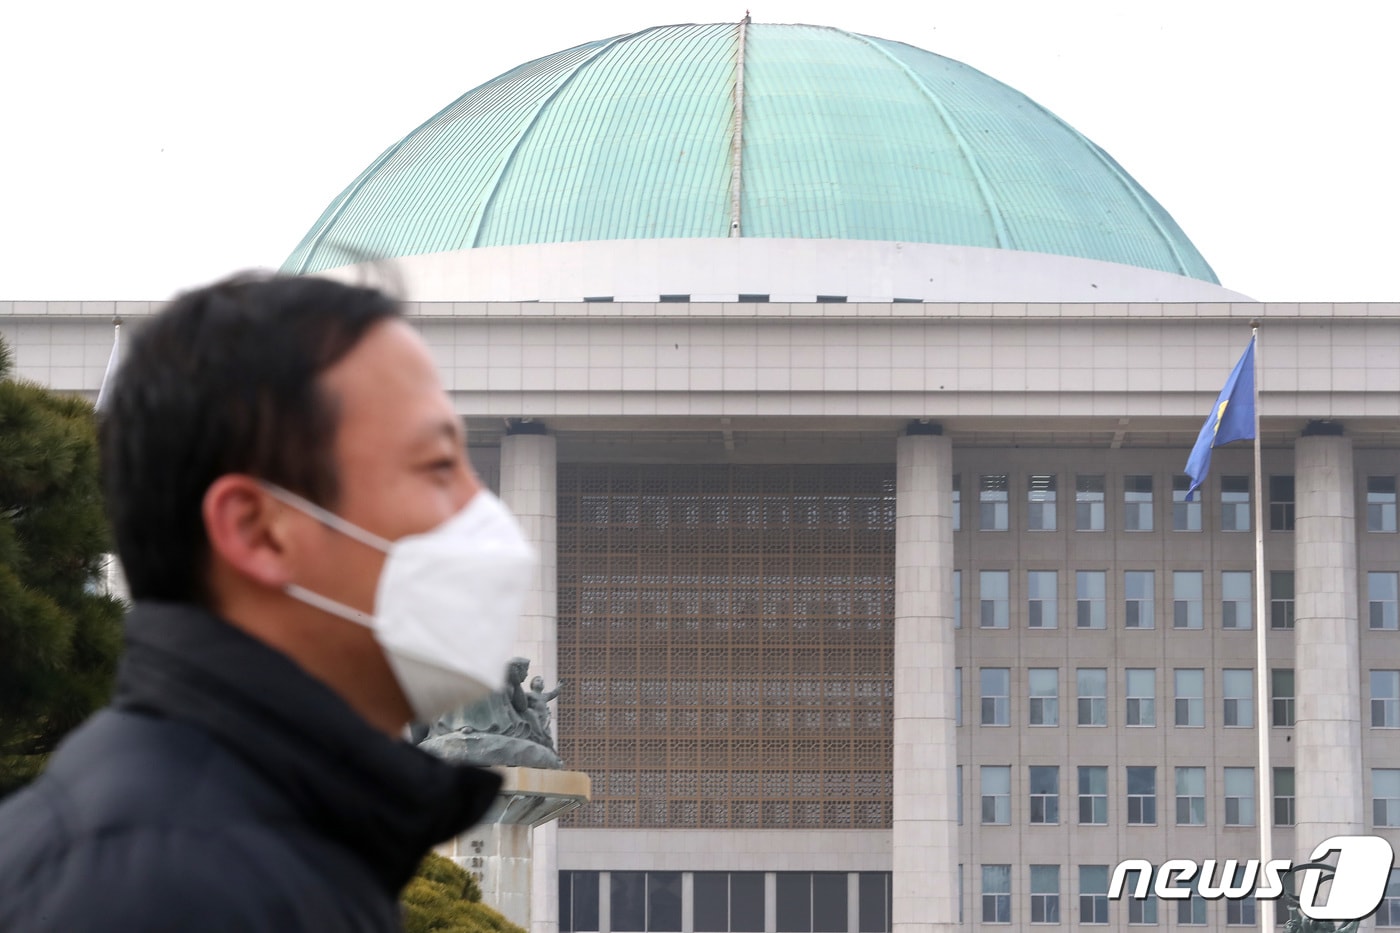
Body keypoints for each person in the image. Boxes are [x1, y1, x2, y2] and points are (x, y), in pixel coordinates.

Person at [0, 273, 535, 931]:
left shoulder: (280, 851)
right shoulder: (158, 890)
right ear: (258, 527)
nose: (479, 512)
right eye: (435, 466)